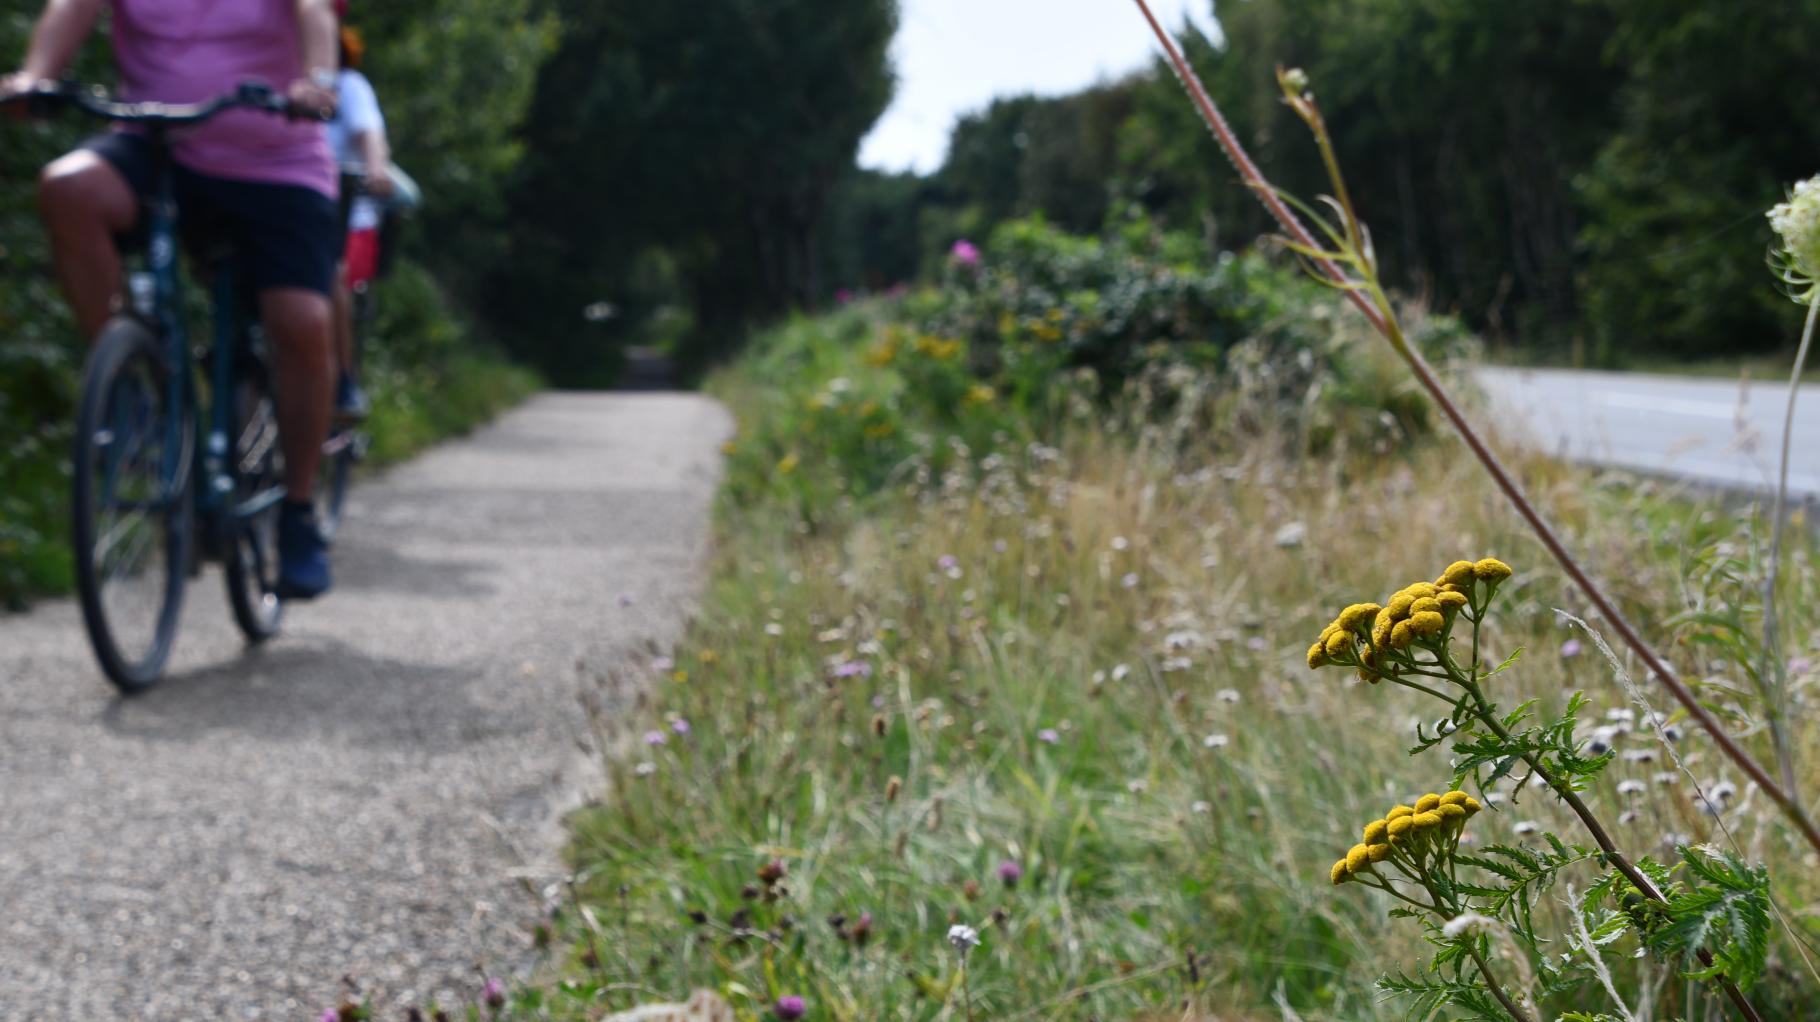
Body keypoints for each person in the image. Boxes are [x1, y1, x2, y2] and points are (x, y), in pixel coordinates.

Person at [2, 0, 342, 599]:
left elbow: (313, 12)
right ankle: (132, 386)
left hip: (278, 159)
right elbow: (69, 9)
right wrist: (37, 76)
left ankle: (296, 512)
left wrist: (315, 83)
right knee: (67, 188)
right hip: (158, 146)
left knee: (300, 319)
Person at [326, 11, 393, 420]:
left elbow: (370, 134)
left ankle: (344, 381)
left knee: (333, 276)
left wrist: (375, 169)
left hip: (349, 217)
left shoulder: (349, 86)